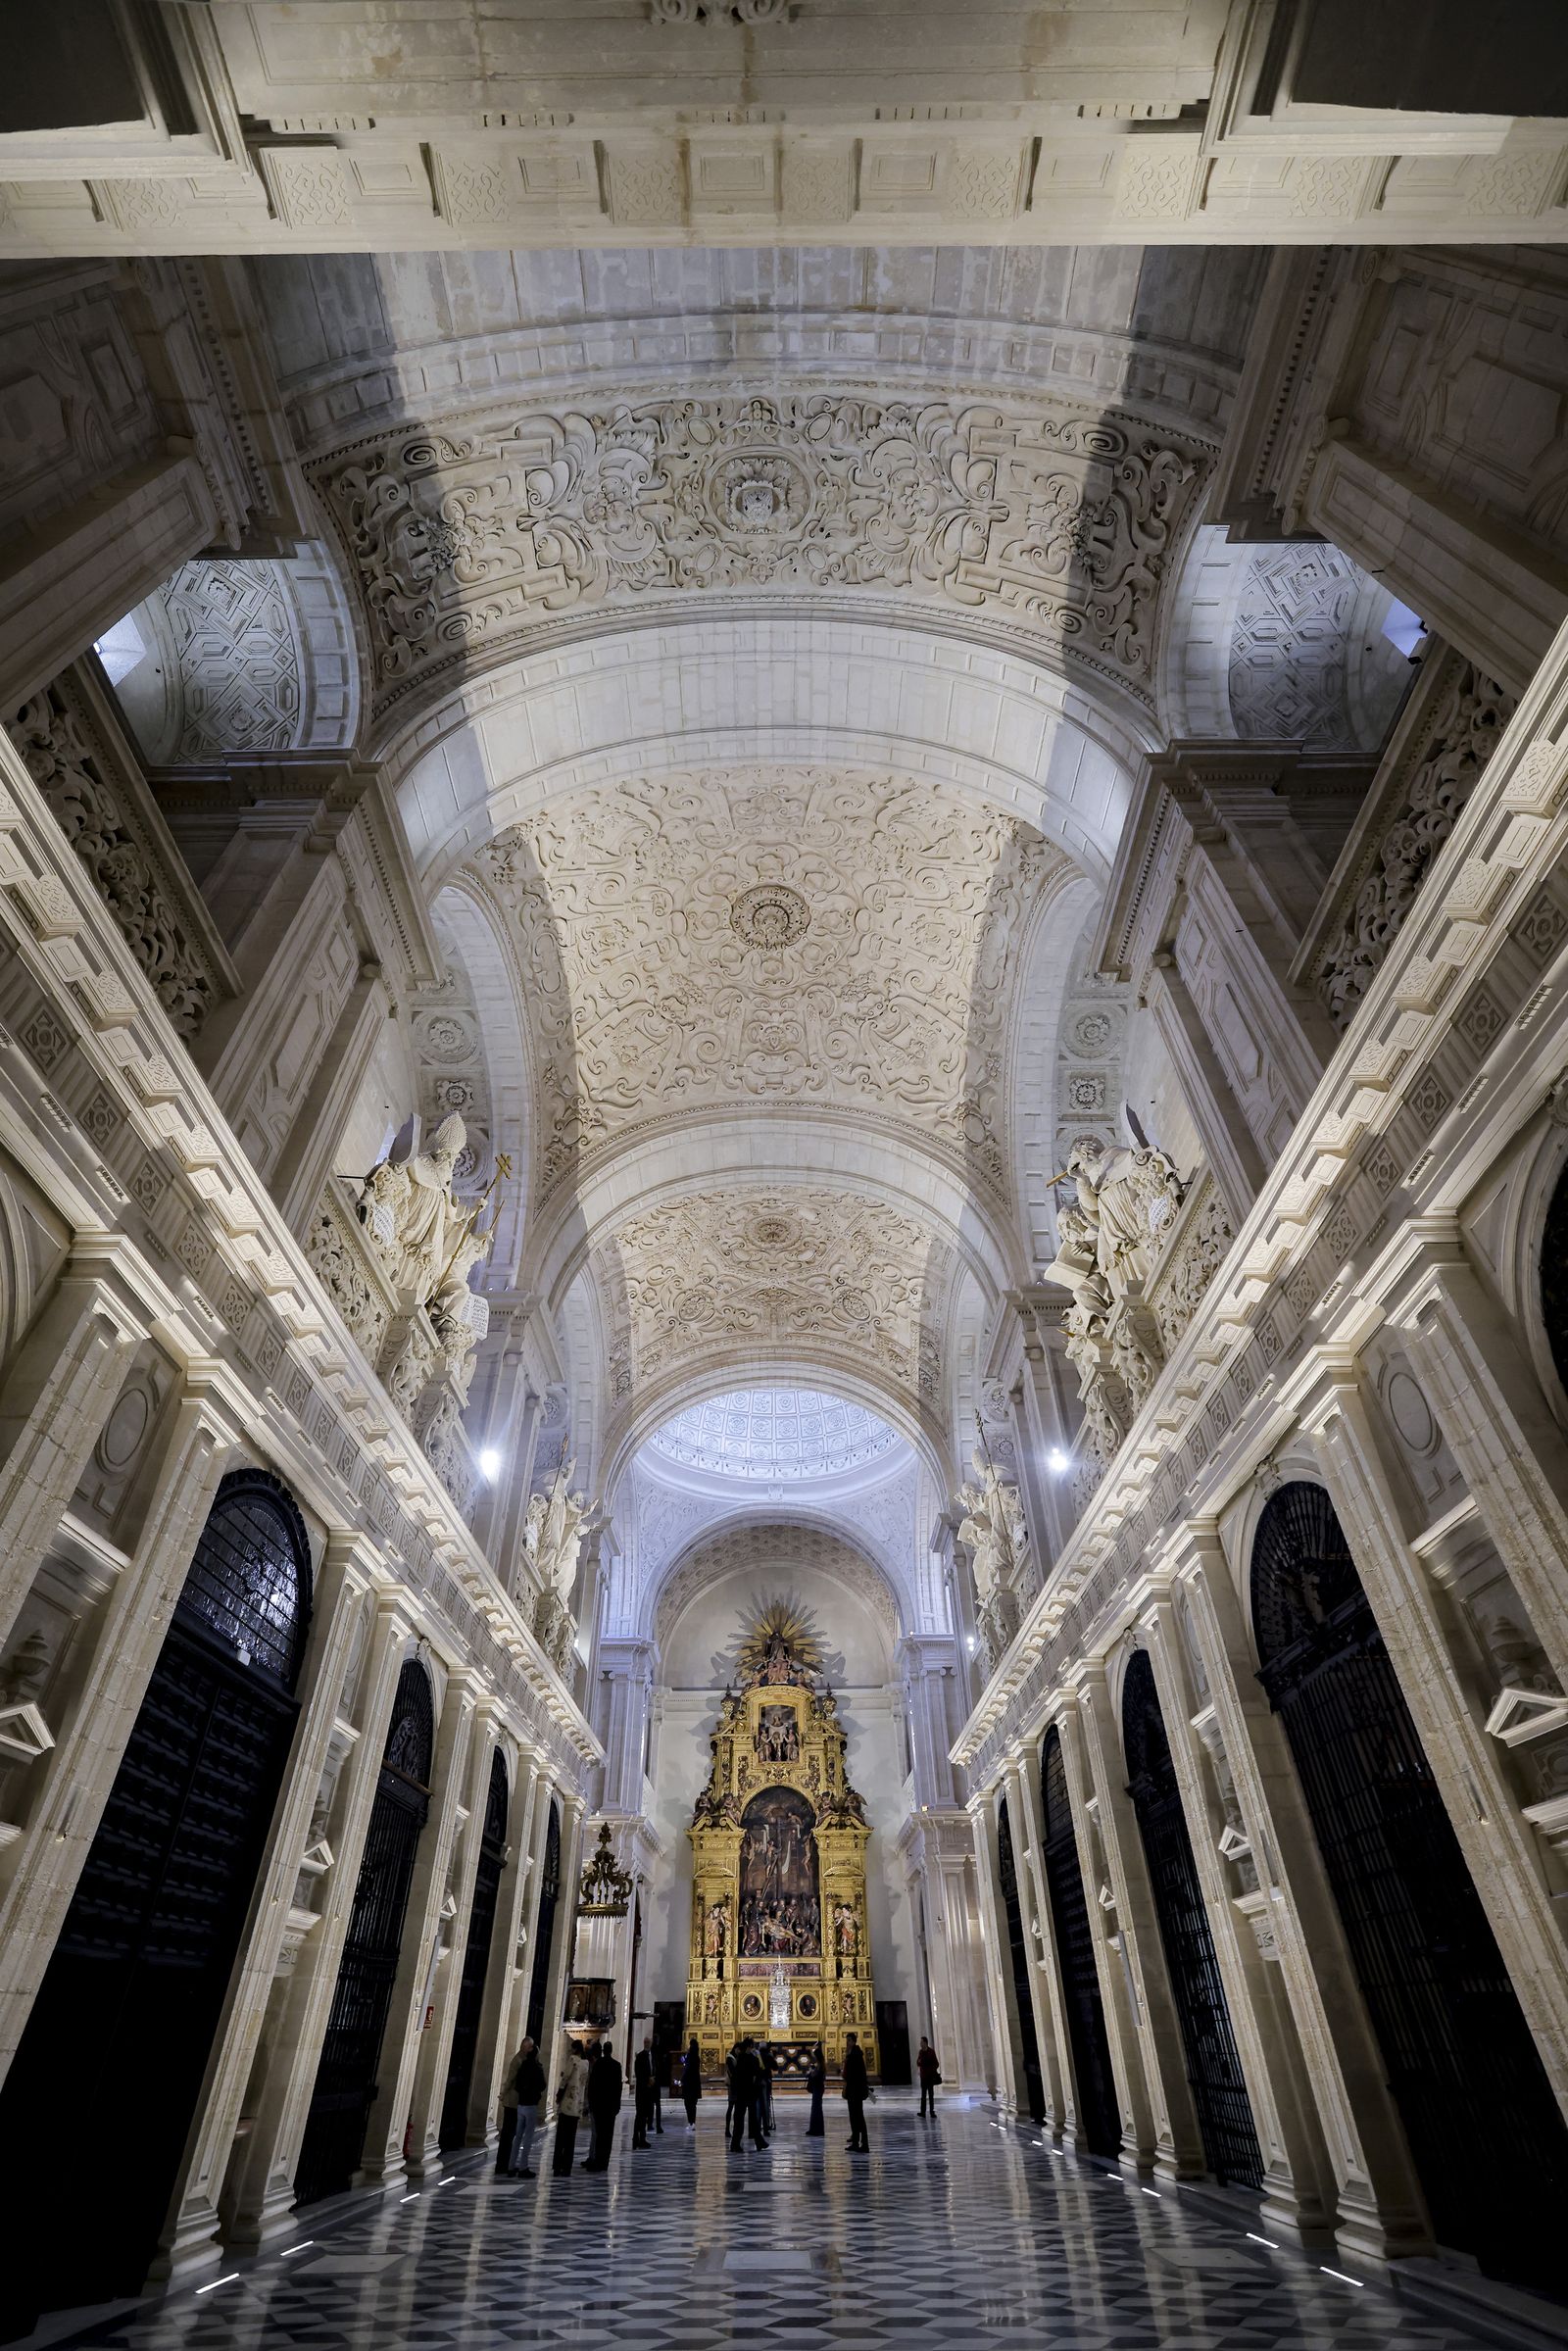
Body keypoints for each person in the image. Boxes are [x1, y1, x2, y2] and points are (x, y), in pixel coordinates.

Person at [507, 2036, 547, 2176]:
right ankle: (523, 2167)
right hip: (531, 2105)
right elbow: (542, 2085)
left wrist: (524, 2090)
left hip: (521, 2104)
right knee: (528, 2137)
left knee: (517, 2136)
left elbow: (517, 2085)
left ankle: (511, 2166)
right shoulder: (537, 2067)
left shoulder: (523, 2065)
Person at [583, 2039, 623, 2171]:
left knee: (600, 2135)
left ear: (603, 2051)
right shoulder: (616, 2065)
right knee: (608, 2135)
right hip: (611, 2106)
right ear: (611, 2051)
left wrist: (591, 2104)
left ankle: (598, 2162)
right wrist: (617, 2105)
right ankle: (604, 2162)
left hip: (599, 2106)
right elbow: (618, 2087)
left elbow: (592, 2086)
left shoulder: (598, 2064)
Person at [552, 2036, 589, 2177]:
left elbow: (565, 2078)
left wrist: (558, 2094)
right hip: (577, 2104)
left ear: (575, 2049)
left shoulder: (573, 2060)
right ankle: (567, 2167)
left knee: (561, 2137)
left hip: (567, 2102)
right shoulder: (586, 2063)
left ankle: (557, 2166)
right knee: (571, 2138)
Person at [843, 2032, 870, 2153]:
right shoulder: (852, 2054)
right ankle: (856, 2142)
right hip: (853, 2090)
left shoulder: (855, 2055)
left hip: (855, 2090)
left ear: (854, 2041)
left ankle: (864, 2144)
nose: (847, 2043)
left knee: (858, 2117)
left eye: (849, 2040)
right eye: (846, 2040)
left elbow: (854, 2073)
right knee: (855, 2117)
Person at [632, 2035, 655, 2149]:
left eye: (648, 2042)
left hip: (649, 2091)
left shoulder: (652, 2056)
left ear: (651, 2043)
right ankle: (636, 2139)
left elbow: (653, 2070)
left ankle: (642, 2139)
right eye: (645, 2042)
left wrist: (653, 2080)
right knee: (640, 2115)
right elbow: (638, 2072)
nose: (647, 2044)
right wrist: (647, 2081)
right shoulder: (640, 2056)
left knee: (645, 2115)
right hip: (642, 2090)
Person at [916, 2034, 942, 2120]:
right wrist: (919, 2062)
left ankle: (932, 2112)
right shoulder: (920, 2052)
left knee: (931, 2095)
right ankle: (922, 2112)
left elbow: (936, 2064)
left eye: (921, 2042)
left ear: (925, 2043)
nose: (920, 2044)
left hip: (930, 2077)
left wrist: (931, 2070)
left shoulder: (931, 2052)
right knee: (923, 2095)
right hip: (923, 2077)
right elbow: (918, 2062)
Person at [805, 2041, 826, 2137]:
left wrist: (811, 2072)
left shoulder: (820, 2065)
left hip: (818, 2088)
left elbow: (816, 2076)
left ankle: (816, 2130)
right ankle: (816, 2129)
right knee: (816, 2109)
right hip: (818, 2088)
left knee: (816, 2109)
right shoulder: (820, 2064)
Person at [681, 2036, 704, 2128]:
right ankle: (693, 2122)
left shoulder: (689, 2056)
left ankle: (690, 2122)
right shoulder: (697, 2057)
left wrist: (682, 2079)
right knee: (693, 2104)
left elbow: (687, 2069)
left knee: (687, 2103)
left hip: (688, 2082)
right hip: (695, 2082)